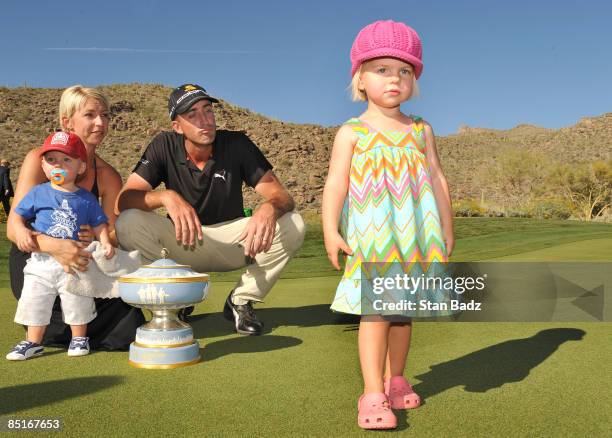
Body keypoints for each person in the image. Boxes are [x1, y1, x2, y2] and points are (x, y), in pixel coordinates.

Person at [321, 20, 454, 429]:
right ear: (359, 78)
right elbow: (336, 184)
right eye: (381, 69)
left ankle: (396, 379)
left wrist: (447, 228)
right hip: (373, 239)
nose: (394, 79)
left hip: (415, 237)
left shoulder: (421, 130)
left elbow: (437, 178)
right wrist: (330, 229)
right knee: (376, 313)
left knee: (403, 312)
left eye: (405, 71)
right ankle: (372, 392)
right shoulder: (352, 133)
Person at [115, 84, 305, 336]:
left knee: (294, 223)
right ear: (177, 127)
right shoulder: (163, 144)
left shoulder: (237, 143)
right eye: (192, 115)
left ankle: (240, 300)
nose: (204, 120)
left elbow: (281, 196)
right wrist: (165, 196)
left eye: (207, 110)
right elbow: (124, 200)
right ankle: (173, 301)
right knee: (127, 222)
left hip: (233, 243)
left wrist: (269, 208)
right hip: (183, 241)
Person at [7, 85, 145, 351]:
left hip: (82, 262)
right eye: (90, 115)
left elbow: (112, 234)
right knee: (48, 310)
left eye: (105, 115)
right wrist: (56, 246)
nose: (100, 122)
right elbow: (14, 227)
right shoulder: (37, 160)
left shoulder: (108, 176)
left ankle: (73, 331)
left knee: (126, 319)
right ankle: (54, 328)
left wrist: (96, 236)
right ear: (66, 122)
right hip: (36, 258)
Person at [7, 132, 115, 360]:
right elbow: (17, 216)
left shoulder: (86, 199)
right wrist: (21, 229)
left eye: (67, 160)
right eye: (52, 160)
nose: (59, 165)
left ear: (81, 167)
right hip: (42, 261)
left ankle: (79, 337)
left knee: (77, 299)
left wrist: (104, 241)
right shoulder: (37, 193)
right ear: (44, 167)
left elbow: (99, 224)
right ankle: (33, 341)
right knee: (35, 298)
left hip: (74, 261)